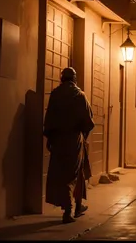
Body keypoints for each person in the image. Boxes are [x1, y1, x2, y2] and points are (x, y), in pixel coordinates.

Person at [43, 67, 95, 224]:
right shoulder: (79, 95)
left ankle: (78, 205)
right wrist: (82, 135)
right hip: (74, 139)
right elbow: (88, 120)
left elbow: (49, 117)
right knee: (73, 173)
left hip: (58, 140)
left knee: (63, 172)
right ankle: (69, 210)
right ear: (74, 78)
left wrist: (50, 138)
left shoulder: (55, 94)